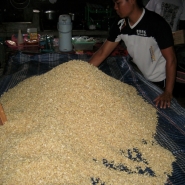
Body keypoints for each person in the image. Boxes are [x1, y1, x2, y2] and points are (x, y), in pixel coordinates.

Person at [88, 0, 177, 109]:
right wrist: (84, 72)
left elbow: (171, 59)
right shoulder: (121, 24)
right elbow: (102, 53)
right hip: (139, 74)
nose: (115, 7)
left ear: (131, 1)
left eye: (118, 3)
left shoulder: (156, 24)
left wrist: (168, 92)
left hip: (159, 80)